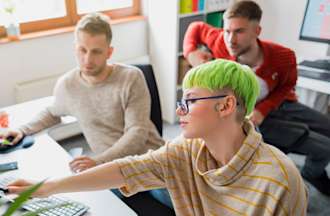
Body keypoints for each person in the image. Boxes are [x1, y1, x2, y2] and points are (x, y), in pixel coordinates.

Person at [7, 60, 308, 215]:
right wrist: (45, 187)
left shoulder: (278, 181)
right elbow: (128, 168)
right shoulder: (186, 151)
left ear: (226, 106)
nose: (180, 109)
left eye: (190, 100)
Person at [183, 0, 330, 196]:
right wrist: (191, 52)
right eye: (227, 31)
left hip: (279, 103)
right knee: (322, 146)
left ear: (257, 31)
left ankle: (311, 170)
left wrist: (265, 108)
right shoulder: (220, 42)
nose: (230, 39)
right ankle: (307, 172)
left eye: (239, 32)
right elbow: (195, 27)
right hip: (246, 113)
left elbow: (286, 86)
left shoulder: (284, 56)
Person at [0, 13, 164, 172]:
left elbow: (137, 133)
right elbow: (52, 113)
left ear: (109, 52)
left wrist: (99, 161)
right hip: (112, 169)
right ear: (75, 48)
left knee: (181, 196)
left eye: (96, 52)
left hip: (150, 160)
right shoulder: (68, 85)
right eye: (82, 50)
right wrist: (22, 130)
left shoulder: (131, 77)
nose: (87, 59)